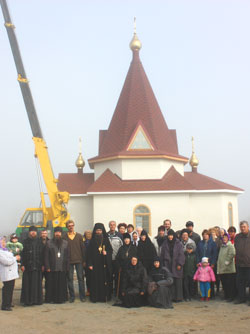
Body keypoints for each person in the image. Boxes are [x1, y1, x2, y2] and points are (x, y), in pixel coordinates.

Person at [87, 223, 113, 302]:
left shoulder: (106, 240)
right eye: (97, 230)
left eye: (100, 230)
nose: (98, 232)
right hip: (95, 265)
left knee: (104, 281)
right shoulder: (92, 241)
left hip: (103, 264)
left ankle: (104, 297)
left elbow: (110, 250)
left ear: (102, 231)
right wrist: (90, 264)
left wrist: (107, 253)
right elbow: (88, 253)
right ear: (95, 231)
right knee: (95, 281)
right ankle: (95, 297)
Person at [20, 226, 45, 306]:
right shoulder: (24, 242)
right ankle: (27, 301)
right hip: (27, 266)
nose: (33, 232)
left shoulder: (40, 242)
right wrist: (22, 264)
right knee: (27, 284)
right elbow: (22, 254)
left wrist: (43, 265)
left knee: (37, 284)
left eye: (34, 231)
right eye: (31, 231)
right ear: (29, 232)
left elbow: (43, 254)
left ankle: (37, 300)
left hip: (37, 266)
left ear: (36, 232)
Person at [44, 227, 69, 303]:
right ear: (54, 233)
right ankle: (52, 299)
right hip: (52, 268)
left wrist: (67, 267)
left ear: (61, 233)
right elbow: (46, 256)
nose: (57, 234)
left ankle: (61, 299)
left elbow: (68, 256)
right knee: (52, 284)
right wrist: (47, 266)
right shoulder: (49, 243)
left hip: (62, 267)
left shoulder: (65, 243)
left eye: (59, 232)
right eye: (56, 232)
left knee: (62, 284)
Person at [63, 220, 86, 303]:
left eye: (72, 225)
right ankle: (72, 296)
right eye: (69, 226)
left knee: (81, 278)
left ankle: (82, 296)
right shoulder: (64, 237)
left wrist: (84, 260)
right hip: (69, 261)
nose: (71, 227)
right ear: (67, 227)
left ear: (74, 226)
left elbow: (83, 249)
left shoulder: (79, 236)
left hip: (79, 260)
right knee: (70, 279)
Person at [161, 229, 185, 302]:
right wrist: (162, 264)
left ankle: (178, 298)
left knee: (178, 281)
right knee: (170, 281)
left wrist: (180, 264)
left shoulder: (178, 243)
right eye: (169, 235)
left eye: (171, 235)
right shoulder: (165, 243)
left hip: (176, 264)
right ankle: (171, 297)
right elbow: (162, 254)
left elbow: (181, 255)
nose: (170, 237)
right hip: (167, 264)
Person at [0, 236, 20, 311]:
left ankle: (9, 302)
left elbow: (10, 259)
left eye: (4, 241)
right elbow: (6, 262)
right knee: (7, 289)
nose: (4, 243)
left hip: (11, 273)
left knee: (11, 289)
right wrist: (15, 258)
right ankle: (5, 305)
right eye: (2, 242)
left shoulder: (6, 250)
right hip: (7, 273)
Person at [234, 221, 250, 305]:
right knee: (240, 282)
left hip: (249, 264)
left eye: (244, 226)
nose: (243, 228)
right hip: (240, 264)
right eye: (241, 227)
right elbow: (236, 247)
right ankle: (241, 298)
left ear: (248, 227)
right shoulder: (237, 237)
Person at [217, 233, 236, 302]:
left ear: (228, 238)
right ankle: (226, 296)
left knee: (229, 284)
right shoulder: (222, 246)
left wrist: (227, 261)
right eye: (223, 237)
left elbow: (232, 253)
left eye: (225, 237)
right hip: (222, 268)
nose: (224, 238)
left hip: (229, 269)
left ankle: (231, 297)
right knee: (224, 283)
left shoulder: (230, 245)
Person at [107, 221, 123, 296]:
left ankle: (116, 293)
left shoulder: (119, 235)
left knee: (117, 277)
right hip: (108, 260)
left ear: (115, 226)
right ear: (109, 226)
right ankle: (109, 292)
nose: (112, 226)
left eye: (113, 225)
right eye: (111, 225)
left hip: (117, 260)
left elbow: (122, 248)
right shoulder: (106, 235)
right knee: (109, 277)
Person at [83, 230, 92, 295]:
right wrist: (84, 261)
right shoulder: (83, 243)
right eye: (87, 234)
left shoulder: (94, 242)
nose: (88, 235)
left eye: (89, 234)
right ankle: (88, 290)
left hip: (93, 262)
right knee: (88, 277)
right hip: (85, 262)